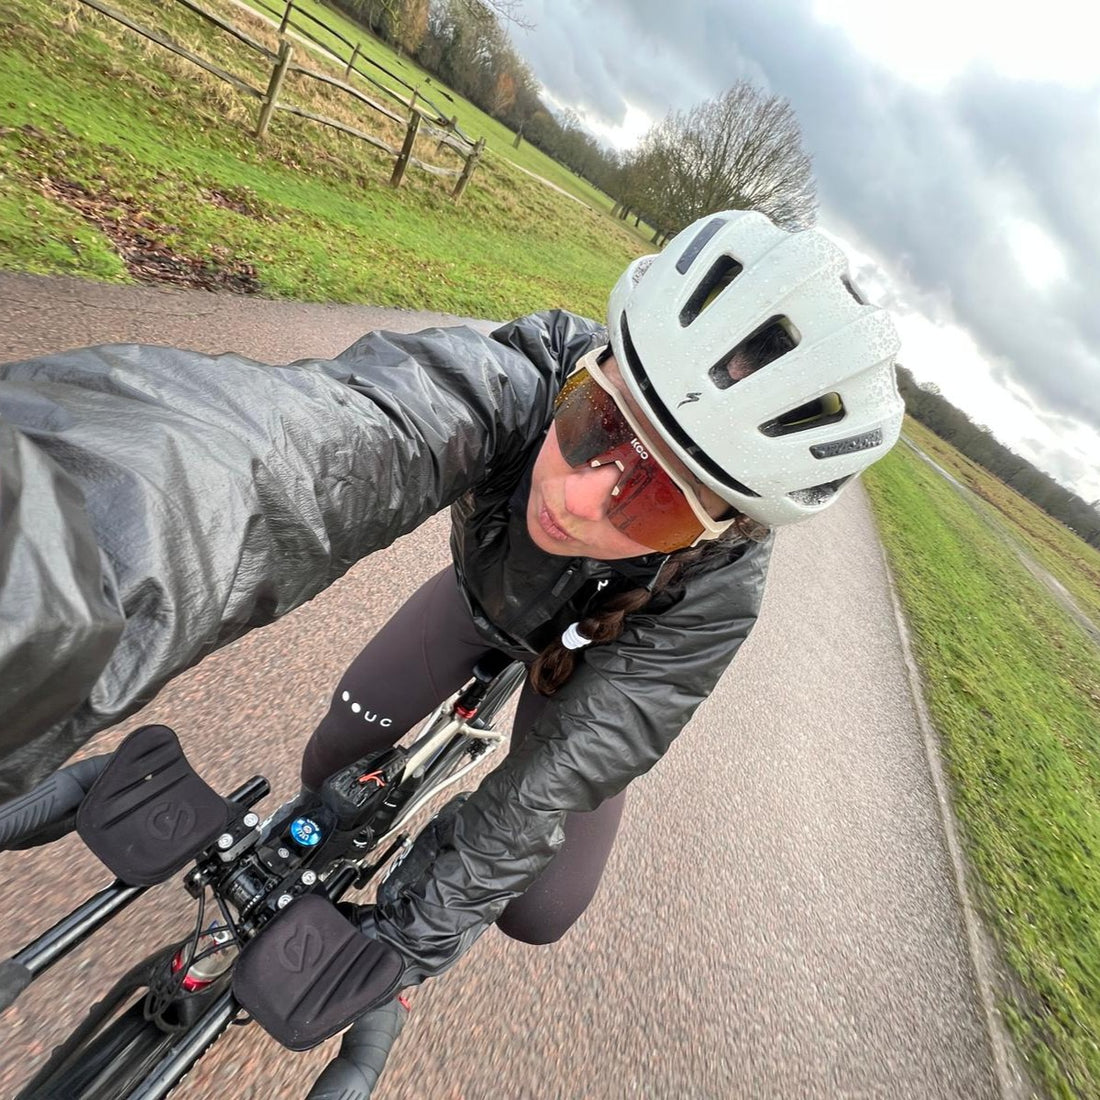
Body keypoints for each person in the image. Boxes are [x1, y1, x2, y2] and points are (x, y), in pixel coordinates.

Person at [0, 209, 903, 1044]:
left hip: (589, 679)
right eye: (596, 423)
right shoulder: (524, 374)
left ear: (723, 527)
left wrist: (408, 941)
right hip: (480, 604)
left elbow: (565, 771)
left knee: (539, 909)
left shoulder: (721, 588)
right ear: (590, 368)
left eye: (660, 501)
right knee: (332, 757)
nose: (580, 500)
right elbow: (274, 457)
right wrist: (42, 605)